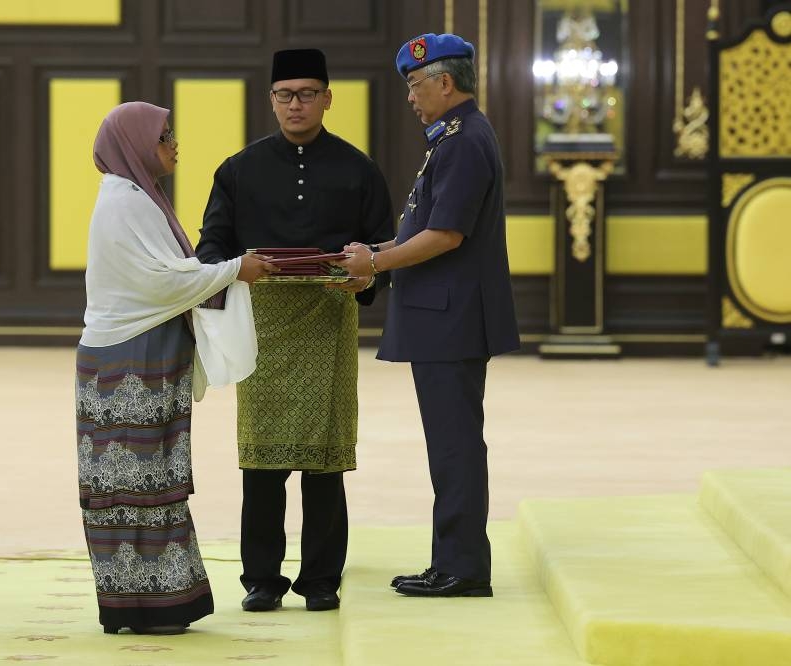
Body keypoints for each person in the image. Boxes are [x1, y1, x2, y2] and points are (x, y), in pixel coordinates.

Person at [195, 48, 394, 612]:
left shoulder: (358, 168)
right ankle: (262, 579)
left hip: (329, 320)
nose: (295, 105)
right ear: (271, 100)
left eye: (307, 94)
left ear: (328, 99)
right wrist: (232, 271)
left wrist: (366, 277)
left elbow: (383, 247)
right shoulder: (239, 169)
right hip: (263, 323)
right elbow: (213, 243)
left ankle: (321, 579)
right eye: (285, 95)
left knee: (325, 457)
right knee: (261, 458)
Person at [75, 101, 275, 635]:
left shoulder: (138, 196)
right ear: (135, 146)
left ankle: (155, 603)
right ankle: (140, 605)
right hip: (128, 358)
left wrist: (227, 271)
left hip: (143, 352)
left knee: (151, 479)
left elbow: (169, 276)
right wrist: (234, 269)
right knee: (130, 485)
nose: (173, 144)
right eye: (163, 136)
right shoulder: (125, 202)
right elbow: (160, 284)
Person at [336, 33, 520, 598]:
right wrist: (378, 255)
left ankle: (462, 568)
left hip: (451, 318)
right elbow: (427, 227)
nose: (411, 97)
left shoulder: (463, 141)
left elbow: (445, 235)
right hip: (446, 314)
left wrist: (376, 262)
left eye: (416, 85)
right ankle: (453, 561)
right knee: (450, 444)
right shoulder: (455, 136)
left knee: (454, 445)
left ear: (445, 82)